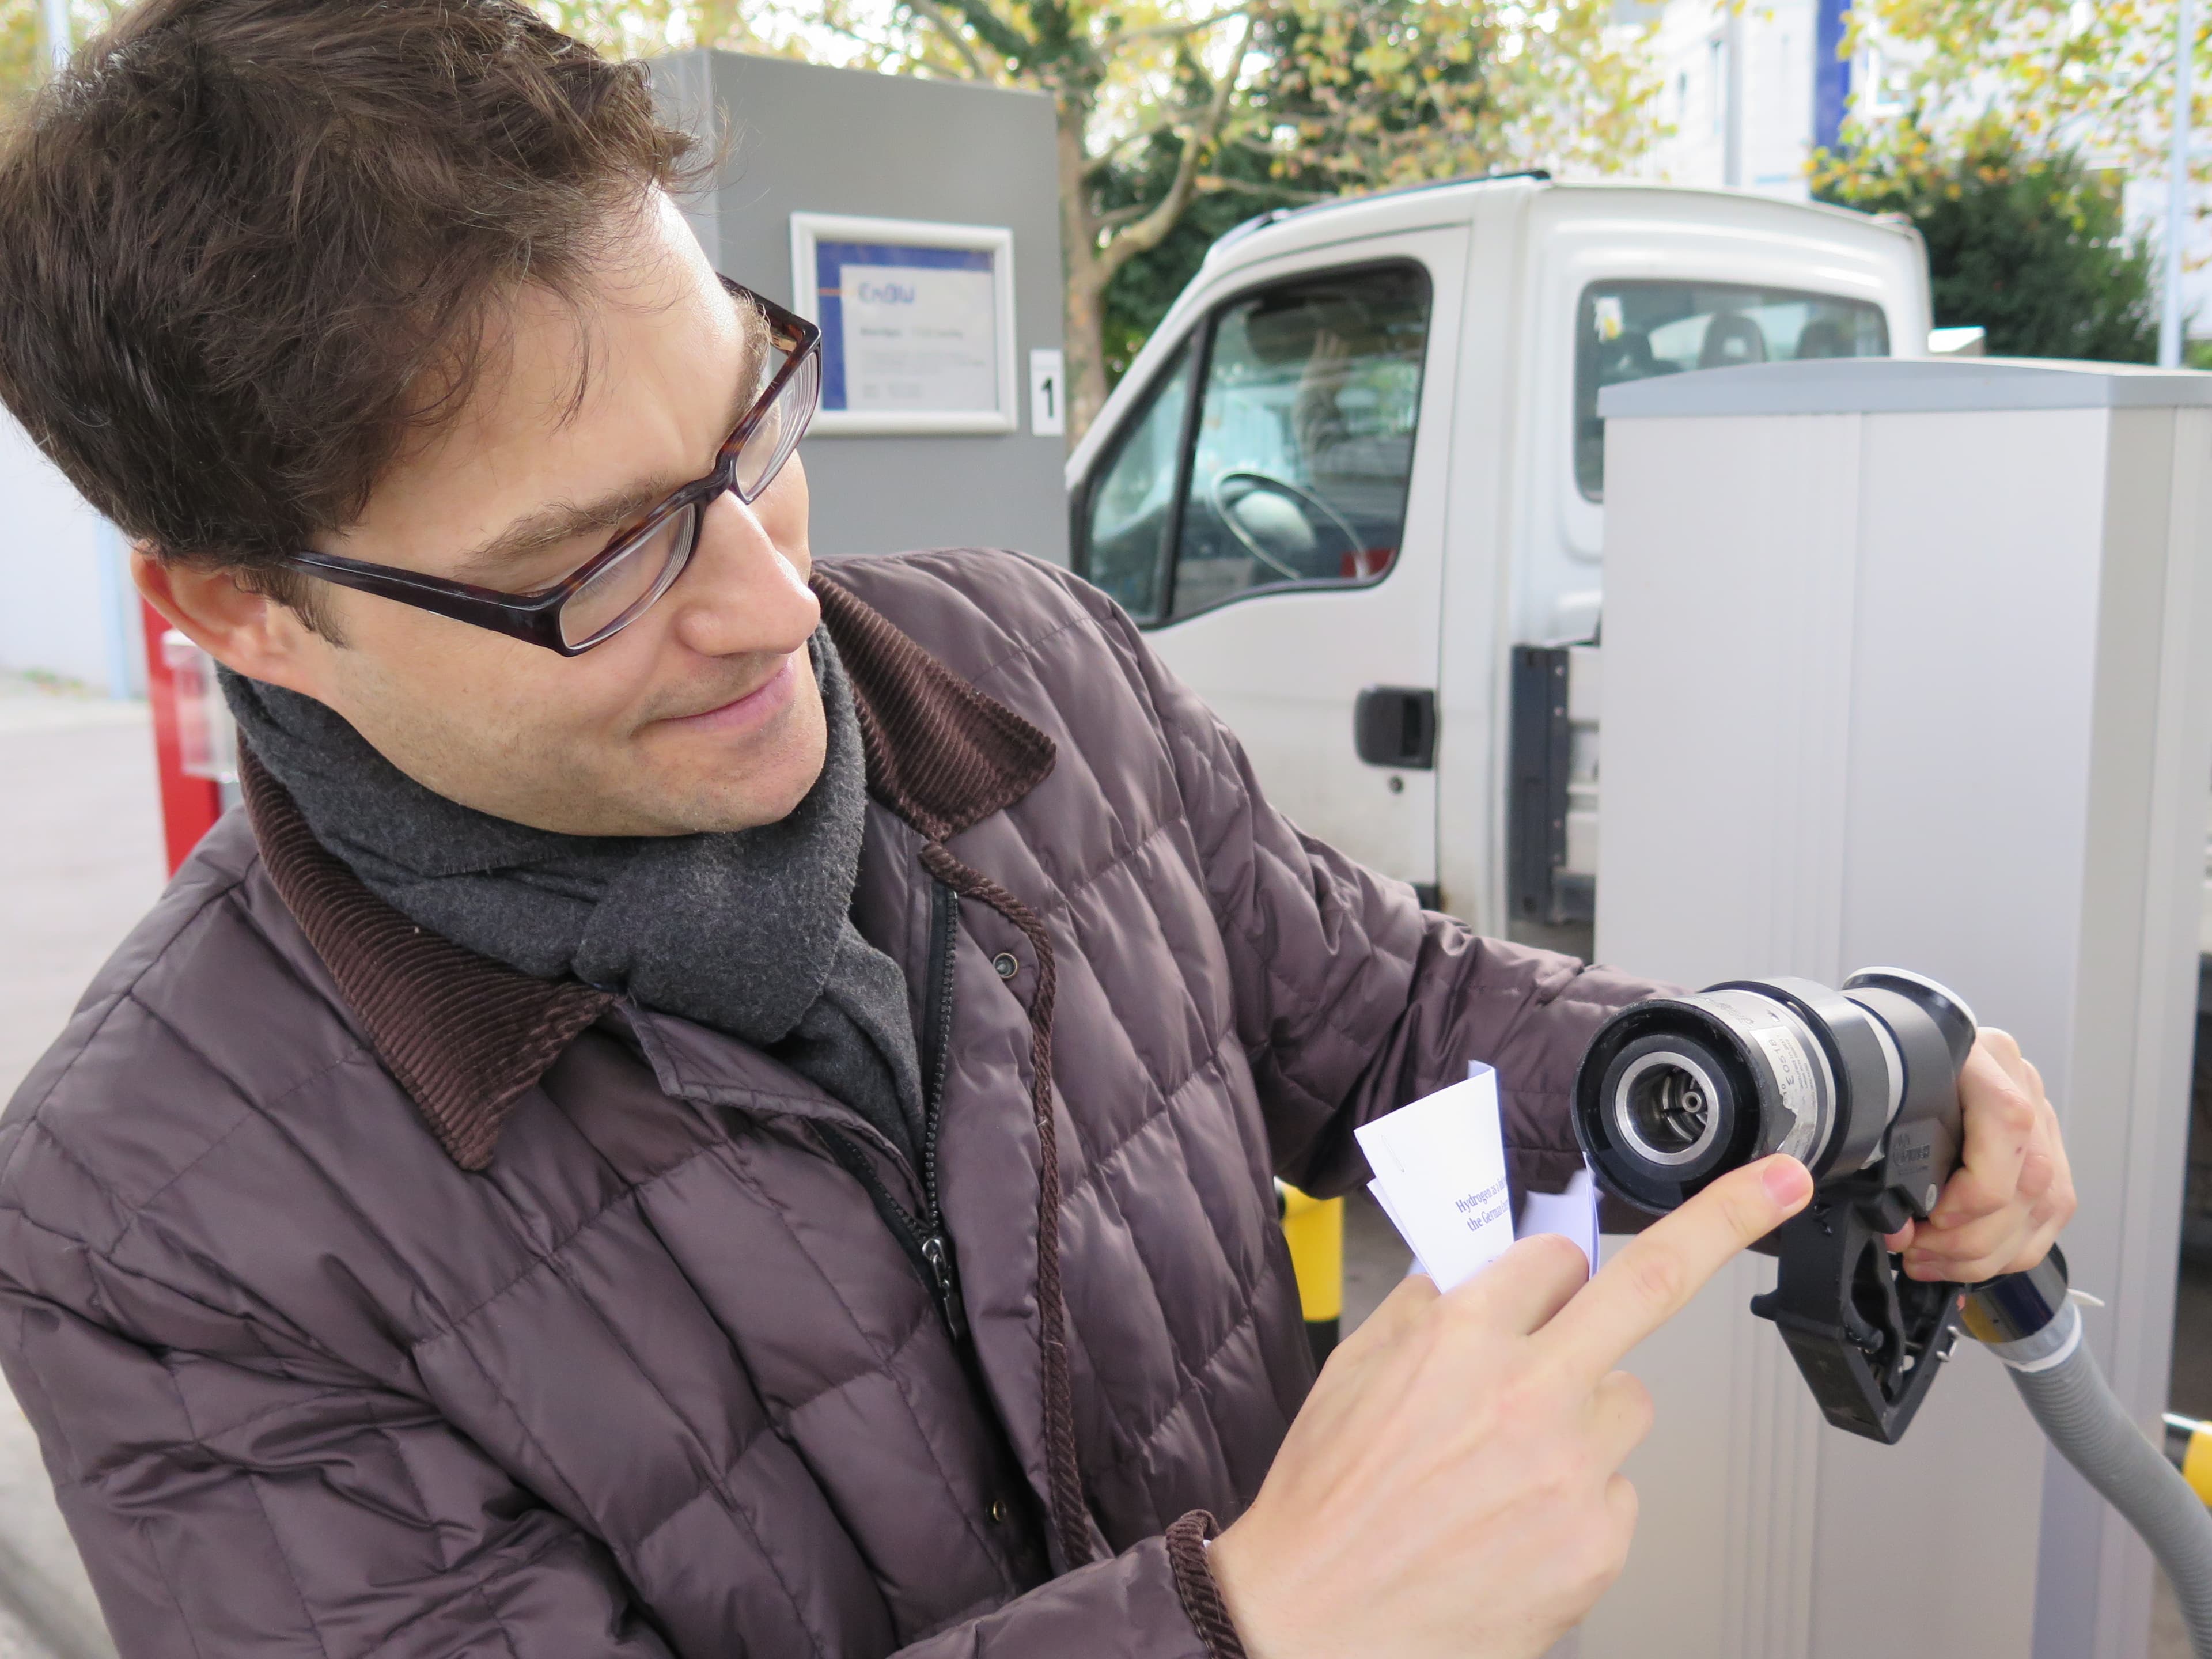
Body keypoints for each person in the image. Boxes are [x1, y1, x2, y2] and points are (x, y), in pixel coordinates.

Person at [0, 5, 2075, 1657]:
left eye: (748, 431)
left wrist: (1773, 1075)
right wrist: (1258, 1621)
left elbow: (1373, 1015)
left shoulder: (1029, 660)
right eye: (591, 566)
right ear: (239, 609)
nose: (770, 602)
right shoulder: (152, 1226)